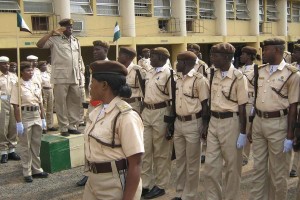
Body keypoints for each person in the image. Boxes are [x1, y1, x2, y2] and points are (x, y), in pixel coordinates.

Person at [83, 60, 144, 199]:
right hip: (93, 180)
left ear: (104, 85)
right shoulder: (97, 111)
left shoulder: (126, 116)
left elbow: (136, 163)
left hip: (115, 182)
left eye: (92, 82)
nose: (90, 86)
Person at [249, 38, 300, 200]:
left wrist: (290, 136)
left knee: (279, 173)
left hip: (279, 124)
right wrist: (250, 126)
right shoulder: (260, 71)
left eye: (266, 50)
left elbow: (293, 107)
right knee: (259, 169)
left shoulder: (292, 74)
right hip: (259, 122)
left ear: (277, 51)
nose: (263, 53)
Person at [204, 43, 248, 200]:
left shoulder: (238, 77)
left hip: (231, 122)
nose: (212, 58)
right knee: (210, 166)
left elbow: (242, 107)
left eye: (215, 55)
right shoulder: (212, 74)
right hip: (214, 121)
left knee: (232, 167)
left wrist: (243, 132)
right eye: (212, 55)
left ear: (227, 58)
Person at [172, 51, 209, 200]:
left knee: (193, 163)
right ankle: (180, 193)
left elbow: (205, 106)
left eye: (178, 61)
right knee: (180, 161)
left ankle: (189, 195)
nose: (176, 64)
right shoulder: (179, 79)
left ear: (186, 63)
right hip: (178, 123)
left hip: (194, 123)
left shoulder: (200, 80)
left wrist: (204, 126)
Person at [36, 18, 82, 137]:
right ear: (61, 28)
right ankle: (64, 127)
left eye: (71, 27)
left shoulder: (75, 40)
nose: (70, 29)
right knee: (61, 103)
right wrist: (51, 33)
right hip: (60, 76)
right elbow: (39, 45)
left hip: (74, 76)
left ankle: (73, 126)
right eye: (67, 27)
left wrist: (80, 76)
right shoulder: (54, 39)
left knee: (75, 102)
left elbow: (79, 60)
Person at [76, 40, 110, 187]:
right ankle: (87, 171)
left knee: (104, 138)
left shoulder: (111, 67)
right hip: (93, 107)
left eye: (98, 50)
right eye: (93, 50)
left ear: (105, 51)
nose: (94, 52)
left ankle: (103, 170)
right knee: (88, 138)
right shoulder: (93, 67)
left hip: (106, 107)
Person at [141, 47, 173, 199]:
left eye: (152, 56)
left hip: (162, 112)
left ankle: (161, 185)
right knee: (145, 150)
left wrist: (170, 123)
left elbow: (173, 100)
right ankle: (145, 184)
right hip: (147, 112)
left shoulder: (169, 74)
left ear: (161, 57)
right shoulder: (149, 72)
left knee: (161, 152)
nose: (150, 59)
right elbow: (144, 95)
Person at [10, 61, 48, 183]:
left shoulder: (35, 83)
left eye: (32, 70)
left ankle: (37, 169)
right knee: (25, 146)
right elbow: (16, 106)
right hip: (25, 115)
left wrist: (43, 118)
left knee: (36, 145)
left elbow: (41, 102)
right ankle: (27, 172)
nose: (31, 72)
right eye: (28, 70)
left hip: (36, 114)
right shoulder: (17, 85)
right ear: (22, 72)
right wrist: (18, 122)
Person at [239, 46, 260, 166]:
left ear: (250, 56)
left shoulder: (256, 69)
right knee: (238, 128)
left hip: (249, 101)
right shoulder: (240, 69)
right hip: (238, 102)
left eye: (243, 54)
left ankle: (244, 155)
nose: (241, 56)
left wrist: (254, 106)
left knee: (246, 128)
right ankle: (238, 153)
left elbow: (258, 88)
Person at [0, 56, 20, 164]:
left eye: (7, 63)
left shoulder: (14, 76)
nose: (7, 65)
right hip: (1, 103)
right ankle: (3, 151)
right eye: (4, 64)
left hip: (13, 102)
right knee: (2, 127)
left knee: (13, 125)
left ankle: (12, 150)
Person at [118, 47, 145, 113]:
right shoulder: (118, 69)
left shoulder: (138, 70)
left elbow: (144, 92)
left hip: (133, 105)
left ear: (127, 57)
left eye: (120, 55)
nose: (118, 57)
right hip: (120, 103)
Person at [37, 61, 57, 133]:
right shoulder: (38, 74)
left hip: (50, 90)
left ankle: (50, 125)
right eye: (43, 66)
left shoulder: (48, 74)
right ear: (40, 67)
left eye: (45, 65)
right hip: (43, 90)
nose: (45, 67)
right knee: (44, 109)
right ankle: (43, 127)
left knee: (50, 108)